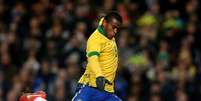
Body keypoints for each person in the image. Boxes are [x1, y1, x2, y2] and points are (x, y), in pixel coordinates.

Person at [72, 11, 122, 101]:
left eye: (117, 28)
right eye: (113, 27)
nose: (115, 31)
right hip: (90, 87)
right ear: (105, 24)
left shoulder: (106, 29)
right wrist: (99, 76)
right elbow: (93, 59)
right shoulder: (95, 40)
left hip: (108, 92)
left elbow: (105, 19)